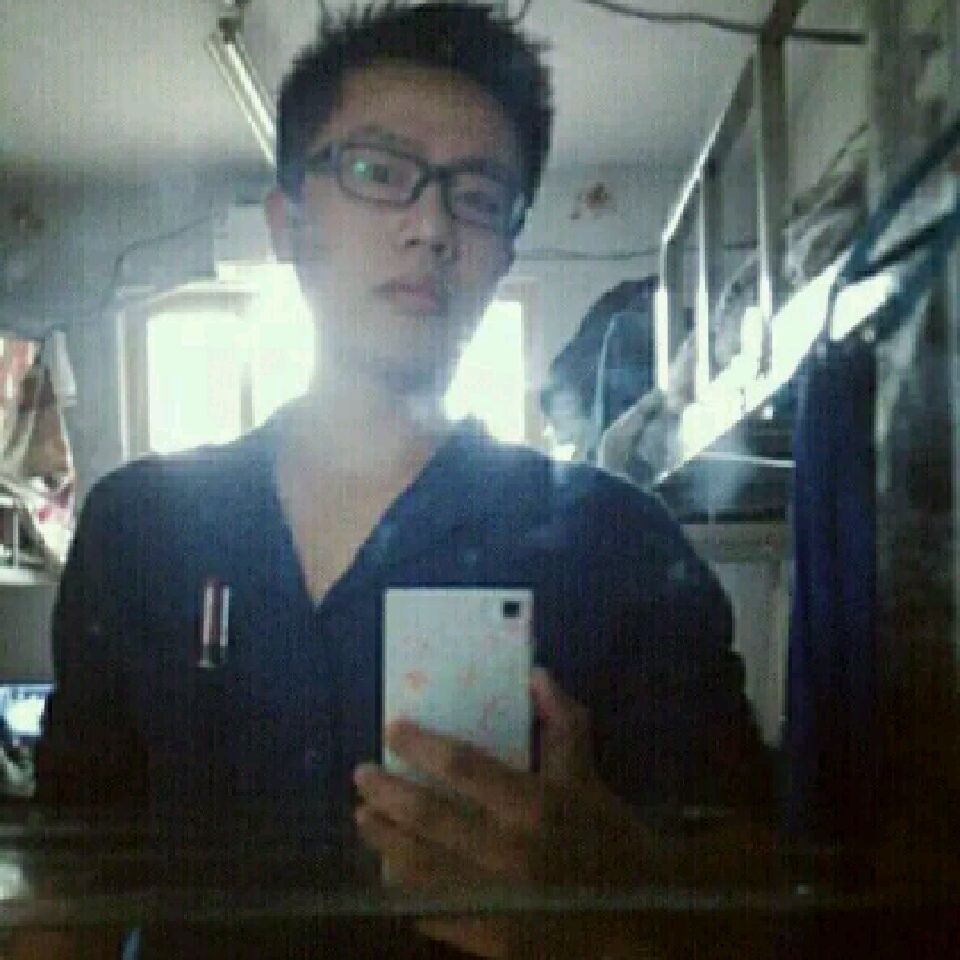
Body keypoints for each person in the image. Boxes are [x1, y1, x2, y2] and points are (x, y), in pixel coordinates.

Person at [30, 3, 771, 957]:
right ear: (289, 223)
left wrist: (609, 900)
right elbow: (69, 880)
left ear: (504, 253)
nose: (431, 226)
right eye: (379, 173)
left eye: (478, 196)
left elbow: (752, 884)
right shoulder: (141, 528)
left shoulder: (615, 542)